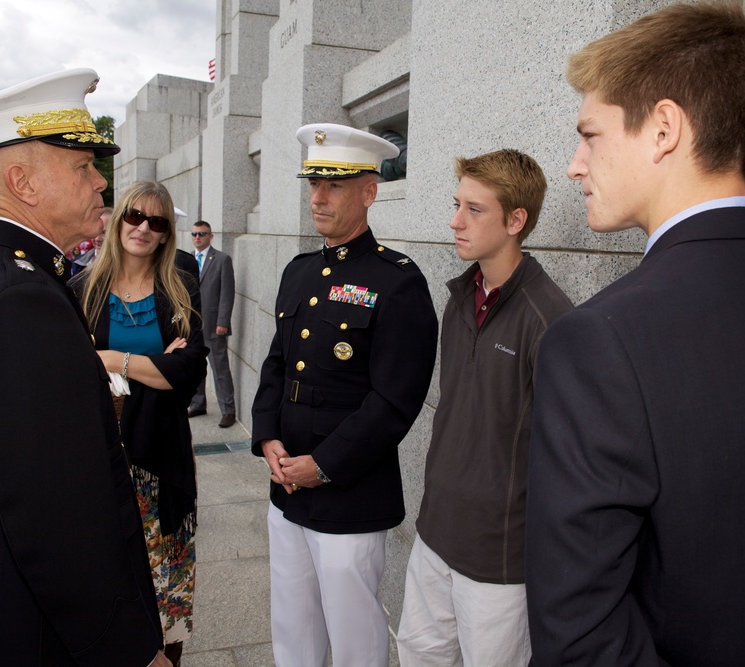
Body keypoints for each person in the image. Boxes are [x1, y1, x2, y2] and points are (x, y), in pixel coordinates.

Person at [525, 3, 745, 665]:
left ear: (663, 128)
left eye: (590, 134)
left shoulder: (597, 343)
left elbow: (579, 639)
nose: (575, 165)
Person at [0, 68, 171, 666]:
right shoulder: (19, 298)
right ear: (23, 184)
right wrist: (129, 650)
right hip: (41, 628)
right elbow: (54, 514)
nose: (99, 182)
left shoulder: (2, 277)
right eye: (83, 166)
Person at [251, 123, 439, 667]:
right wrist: (267, 439)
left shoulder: (397, 280)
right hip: (287, 485)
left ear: (369, 191)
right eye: (314, 182)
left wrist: (324, 465)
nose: (318, 196)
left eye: (335, 184)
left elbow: (394, 400)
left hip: (349, 490)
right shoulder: (299, 271)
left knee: (355, 637)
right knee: (291, 625)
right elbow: (277, 364)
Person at [396, 150, 572, 666]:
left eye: (474, 209)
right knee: (417, 655)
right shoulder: (459, 298)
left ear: (516, 220)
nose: (455, 221)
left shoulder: (551, 320)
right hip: (434, 532)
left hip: (498, 560)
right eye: (457, 205)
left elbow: (563, 461)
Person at [70, 180, 206, 666]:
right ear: (116, 218)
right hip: (97, 457)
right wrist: (153, 366)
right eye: (134, 216)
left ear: (168, 233)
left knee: (165, 583)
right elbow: (66, 369)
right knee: (106, 576)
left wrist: (111, 358)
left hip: (161, 457)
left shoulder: (180, 289)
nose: (143, 228)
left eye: (158, 222)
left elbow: (189, 372)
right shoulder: (80, 290)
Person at [187, 219, 237, 426]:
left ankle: (228, 410)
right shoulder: (188, 260)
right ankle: (198, 404)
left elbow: (227, 293)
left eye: (202, 234)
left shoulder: (222, 259)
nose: (197, 237)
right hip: (192, 326)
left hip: (214, 324)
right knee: (196, 368)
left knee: (220, 369)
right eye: (194, 234)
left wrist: (223, 321)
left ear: (211, 236)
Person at [71, 206, 111, 275]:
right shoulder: (78, 264)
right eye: (94, 232)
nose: (97, 239)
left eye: (104, 233)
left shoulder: (126, 267)